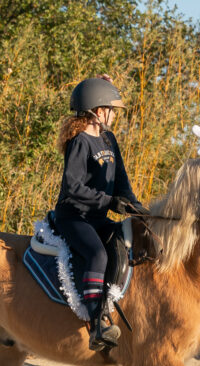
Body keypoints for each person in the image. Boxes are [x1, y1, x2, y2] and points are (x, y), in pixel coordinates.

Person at [53, 75, 147, 351]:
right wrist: (109, 202)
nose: (114, 116)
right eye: (111, 110)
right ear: (97, 110)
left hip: (97, 217)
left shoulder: (109, 139)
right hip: (73, 217)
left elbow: (121, 180)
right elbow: (72, 188)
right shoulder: (79, 141)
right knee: (97, 254)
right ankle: (96, 323)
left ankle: (112, 304)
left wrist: (133, 205)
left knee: (125, 243)